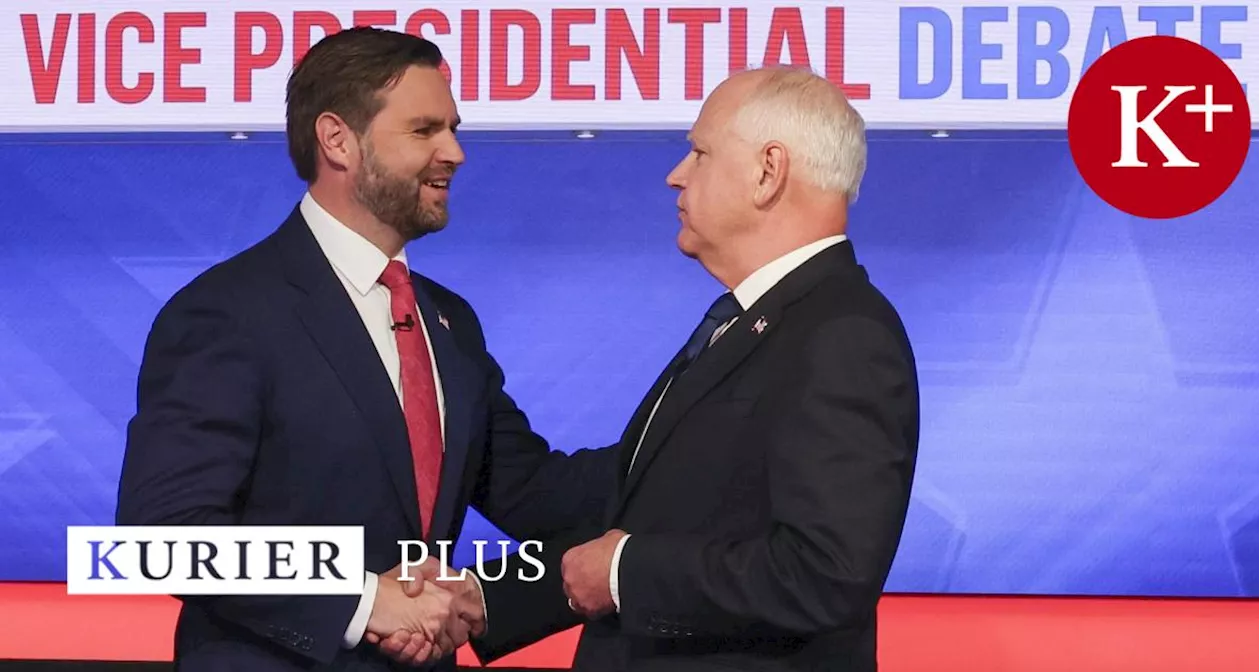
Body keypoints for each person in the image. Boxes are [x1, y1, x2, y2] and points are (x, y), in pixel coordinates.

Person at [115, 27, 615, 671]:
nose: (455, 152)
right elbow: (162, 538)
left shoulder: (448, 321)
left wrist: (685, 444)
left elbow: (538, 494)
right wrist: (359, 599)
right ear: (337, 140)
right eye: (424, 130)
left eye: (453, 128)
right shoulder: (227, 311)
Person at [453, 66, 921, 671]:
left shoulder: (844, 336)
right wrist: (489, 592)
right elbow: (639, 503)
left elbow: (822, 573)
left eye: (699, 152)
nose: (676, 174)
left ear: (767, 172)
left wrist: (624, 573)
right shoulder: (752, 322)